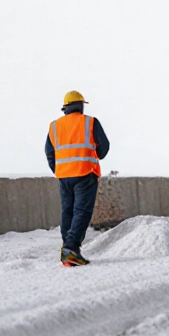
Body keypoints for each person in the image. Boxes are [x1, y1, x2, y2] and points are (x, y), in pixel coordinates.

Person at [45, 90, 110, 267]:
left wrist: (59, 169)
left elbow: (49, 153)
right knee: (81, 212)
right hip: (85, 173)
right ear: (81, 106)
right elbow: (104, 147)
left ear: (65, 108)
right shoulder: (90, 122)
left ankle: (69, 252)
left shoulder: (54, 126)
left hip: (64, 176)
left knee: (68, 212)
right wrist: (94, 155)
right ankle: (71, 248)